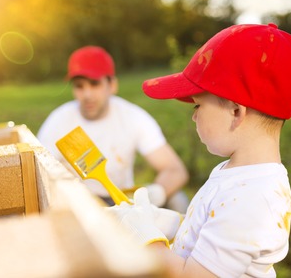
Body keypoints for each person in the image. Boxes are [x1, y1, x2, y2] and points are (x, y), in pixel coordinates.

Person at [108, 23, 291, 277]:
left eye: (197, 106)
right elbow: (210, 229)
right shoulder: (238, 174)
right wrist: (168, 223)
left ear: (235, 111)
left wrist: (145, 237)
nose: (194, 117)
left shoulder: (251, 199)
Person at [37, 45, 190, 212]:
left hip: (123, 202)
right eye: (79, 86)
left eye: (94, 84)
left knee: (178, 200)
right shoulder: (58, 120)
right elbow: (39, 175)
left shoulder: (133, 117)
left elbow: (175, 170)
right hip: (78, 206)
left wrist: (152, 196)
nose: (87, 94)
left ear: (112, 85)